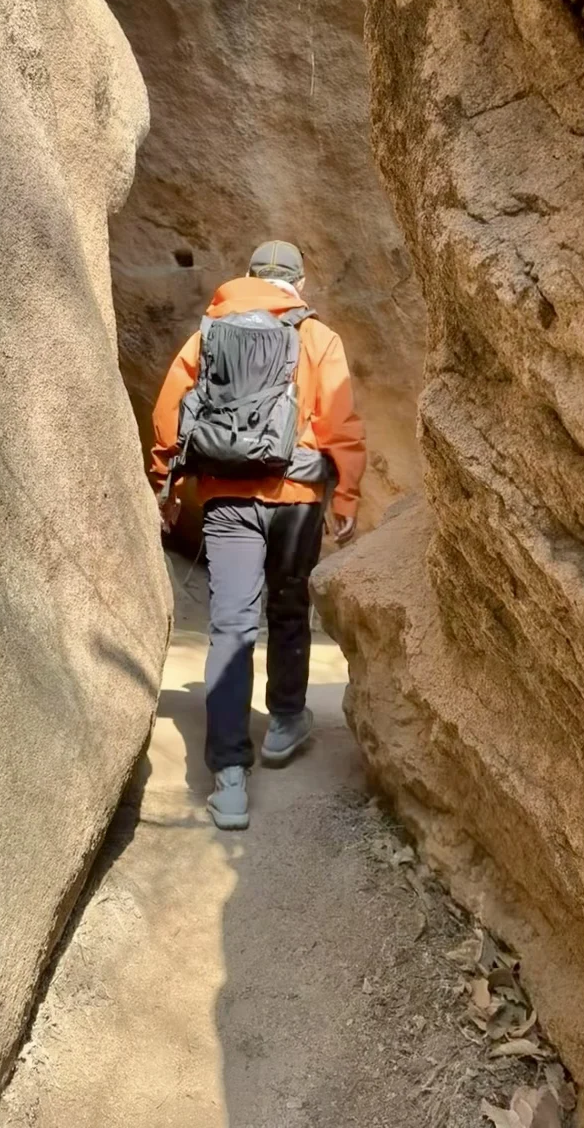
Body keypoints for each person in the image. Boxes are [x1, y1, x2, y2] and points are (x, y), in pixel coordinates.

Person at [151, 240, 366, 830]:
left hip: (226, 496)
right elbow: (340, 423)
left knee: (230, 626)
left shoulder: (209, 332)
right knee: (289, 608)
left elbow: (172, 413)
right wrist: (344, 496)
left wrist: (166, 487)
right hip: (295, 499)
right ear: (299, 283)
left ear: (247, 276)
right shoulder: (317, 337)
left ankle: (228, 777)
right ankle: (286, 722)